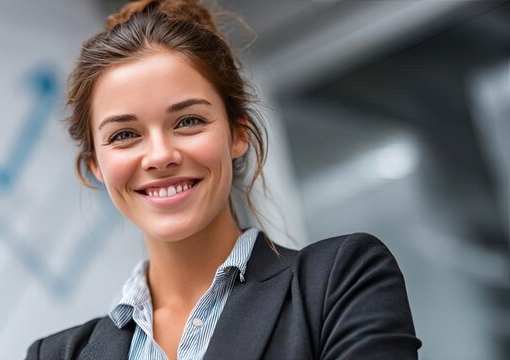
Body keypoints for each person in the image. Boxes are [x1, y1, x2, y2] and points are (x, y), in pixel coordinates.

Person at [25, 0, 422, 359]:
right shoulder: (57, 356)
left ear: (237, 133)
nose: (161, 155)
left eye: (189, 121)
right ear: (96, 164)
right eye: (125, 135)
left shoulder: (339, 281)